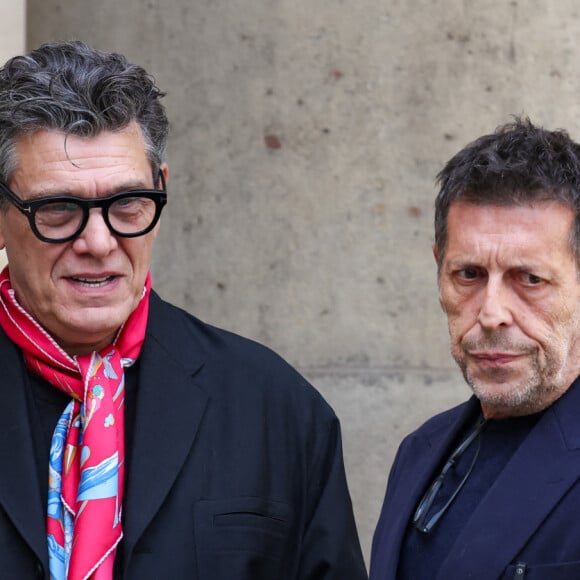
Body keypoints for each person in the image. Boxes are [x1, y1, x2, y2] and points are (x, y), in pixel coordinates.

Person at [0, 40, 367, 580]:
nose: (99, 242)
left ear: (162, 188)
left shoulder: (275, 407)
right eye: (59, 209)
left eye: (127, 203)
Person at [370, 117, 580, 579]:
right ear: (438, 267)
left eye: (530, 279)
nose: (491, 314)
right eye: (469, 275)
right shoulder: (418, 452)